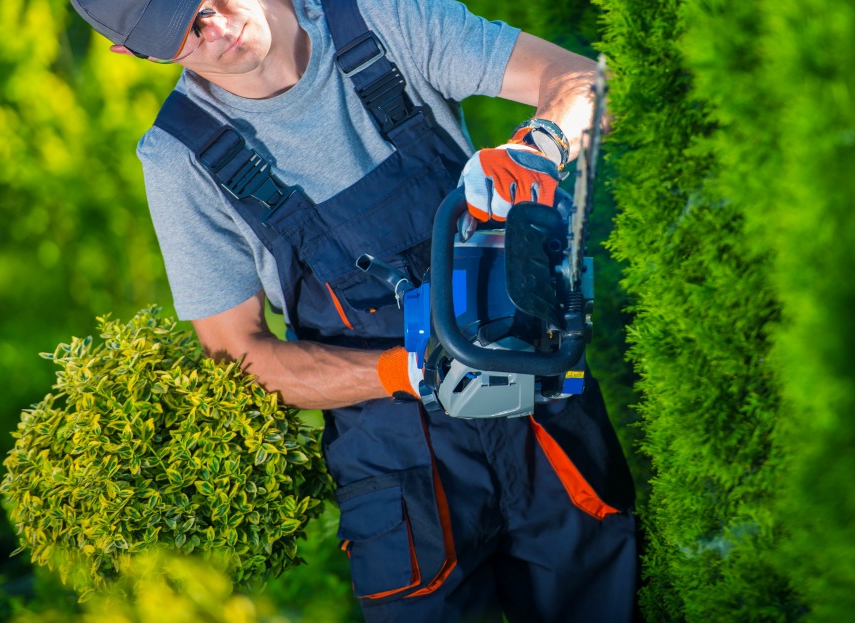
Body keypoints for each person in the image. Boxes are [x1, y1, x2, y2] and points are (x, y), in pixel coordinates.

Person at [67, 0, 638, 621]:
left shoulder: (382, 19)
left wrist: (541, 146)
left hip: (534, 399)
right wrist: (404, 372)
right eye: (185, 36)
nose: (219, 31)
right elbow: (242, 359)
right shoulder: (181, 159)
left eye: (209, 4)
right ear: (134, 54)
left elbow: (585, 81)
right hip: (396, 465)